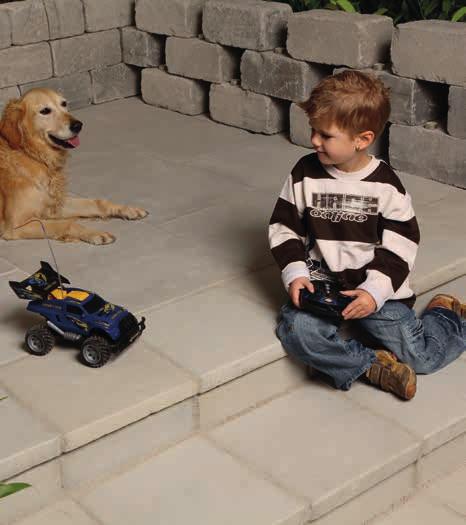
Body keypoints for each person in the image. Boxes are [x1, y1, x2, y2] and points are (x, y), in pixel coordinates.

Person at [269, 70, 465, 400]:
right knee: (296, 331)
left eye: (326, 135)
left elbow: (402, 244)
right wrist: (296, 272)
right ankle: (370, 365)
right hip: (325, 286)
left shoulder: (386, 185)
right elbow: (283, 226)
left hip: (374, 291)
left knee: (423, 359)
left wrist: (374, 292)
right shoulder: (304, 173)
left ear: (362, 139)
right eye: (314, 130)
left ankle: (446, 317)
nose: (315, 140)